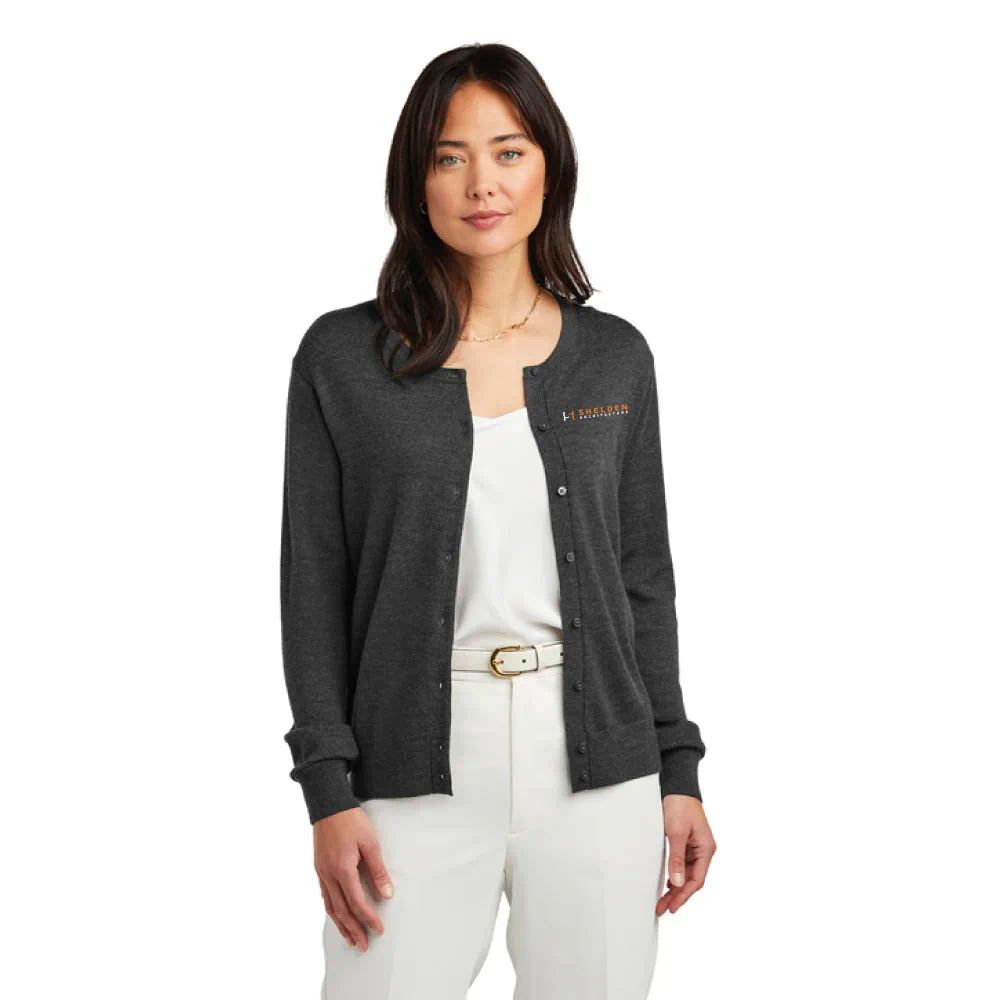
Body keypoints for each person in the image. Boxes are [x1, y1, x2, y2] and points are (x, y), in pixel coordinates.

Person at [279, 42, 716, 1000]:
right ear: (416, 181)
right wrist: (327, 790)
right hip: (409, 765)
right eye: (450, 157)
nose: (482, 182)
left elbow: (644, 580)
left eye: (509, 151)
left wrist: (677, 769)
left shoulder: (614, 359)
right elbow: (313, 584)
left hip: (600, 769)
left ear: (549, 167)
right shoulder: (342, 359)